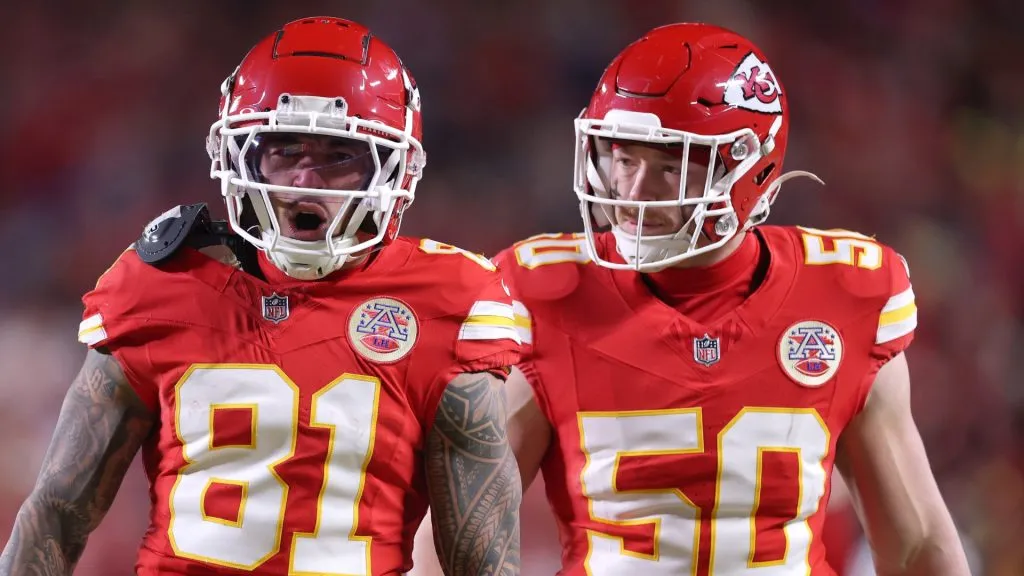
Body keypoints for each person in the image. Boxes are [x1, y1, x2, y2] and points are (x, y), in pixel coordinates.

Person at [0, 16, 521, 576]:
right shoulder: (159, 286)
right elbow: (57, 511)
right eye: (283, 149)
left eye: (337, 156)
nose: (302, 180)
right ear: (239, 156)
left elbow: (483, 558)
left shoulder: (444, 300)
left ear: (393, 170)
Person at [494, 23, 971, 575]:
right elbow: (462, 528)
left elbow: (916, 544)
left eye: (670, 167)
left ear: (750, 169)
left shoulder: (846, 298)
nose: (632, 193)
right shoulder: (543, 296)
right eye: (624, 160)